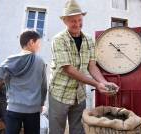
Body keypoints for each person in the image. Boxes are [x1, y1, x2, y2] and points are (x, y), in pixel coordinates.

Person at [49, 0, 119, 134]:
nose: (77, 24)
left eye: (79, 20)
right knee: (56, 131)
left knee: (78, 130)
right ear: (65, 21)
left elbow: (92, 66)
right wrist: (96, 84)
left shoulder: (89, 40)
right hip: (59, 93)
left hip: (79, 94)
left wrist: (104, 82)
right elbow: (68, 69)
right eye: (72, 21)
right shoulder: (58, 40)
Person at [0, 30, 47, 134]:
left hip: (14, 109)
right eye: (38, 43)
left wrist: (4, 73)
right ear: (31, 42)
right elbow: (44, 87)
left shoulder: (11, 60)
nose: (39, 46)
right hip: (33, 110)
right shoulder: (40, 61)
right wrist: (41, 104)